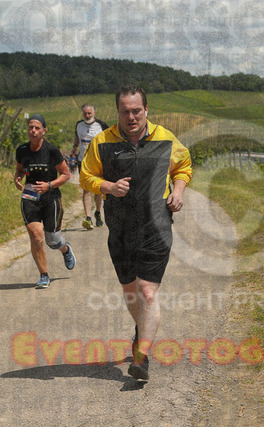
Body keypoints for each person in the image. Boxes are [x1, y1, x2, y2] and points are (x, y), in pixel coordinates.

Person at [80, 85, 192, 380]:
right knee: (131, 291)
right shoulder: (103, 142)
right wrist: (108, 187)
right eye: (124, 112)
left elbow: (183, 166)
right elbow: (86, 176)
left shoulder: (165, 138)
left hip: (157, 226)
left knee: (147, 292)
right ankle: (141, 330)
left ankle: (141, 357)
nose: (131, 117)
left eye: (136, 111)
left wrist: (178, 190)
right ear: (117, 112)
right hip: (119, 228)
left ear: (146, 110)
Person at [14, 114, 76, 289]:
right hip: (29, 197)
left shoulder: (51, 151)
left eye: (37, 128)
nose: (33, 131)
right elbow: (20, 169)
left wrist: (49, 185)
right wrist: (18, 178)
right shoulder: (22, 150)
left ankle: (65, 249)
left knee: (53, 241)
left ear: (44, 131)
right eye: (30, 127)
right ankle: (43, 275)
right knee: (36, 236)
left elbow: (66, 175)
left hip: (50, 198)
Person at [72, 104, 109, 229]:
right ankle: (88, 217)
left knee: (98, 189)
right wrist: (74, 148)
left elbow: (108, 140)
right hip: (83, 161)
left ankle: (97, 212)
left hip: (98, 161)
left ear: (94, 113)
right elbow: (77, 138)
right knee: (86, 189)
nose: (87, 116)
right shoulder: (79, 125)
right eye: (85, 113)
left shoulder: (101, 125)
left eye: (89, 113)